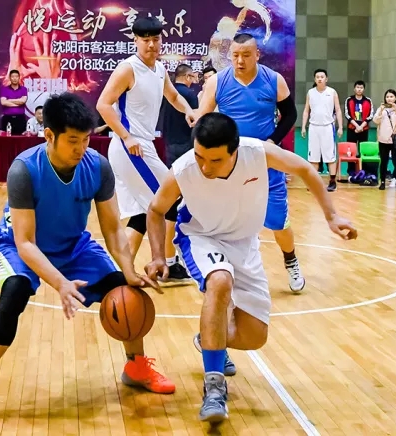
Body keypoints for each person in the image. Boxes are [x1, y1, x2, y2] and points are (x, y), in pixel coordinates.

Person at [0, 93, 174, 428]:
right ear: (49, 135)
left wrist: (129, 270)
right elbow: (25, 242)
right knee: (14, 293)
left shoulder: (97, 166)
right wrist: (60, 282)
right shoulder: (24, 170)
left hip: (73, 245)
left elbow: (112, 229)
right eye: (73, 141)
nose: (81, 148)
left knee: (123, 289)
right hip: (19, 246)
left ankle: (136, 366)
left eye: (86, 140)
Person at [144, 113, 357, 423]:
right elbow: (155, 209)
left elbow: (305, 169)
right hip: (201, 236)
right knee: (220, 281)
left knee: (254, 337)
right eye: (200, 156)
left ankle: (209, 337)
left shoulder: (257, 153)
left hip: (245, 243)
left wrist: (332, 216)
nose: (205, 167)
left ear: (235, 150)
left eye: (215, 160)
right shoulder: (184, 169)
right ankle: (214, 387)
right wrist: (158, 256)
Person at [195, 33, 305, 294]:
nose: (240, 61)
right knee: (227, 222)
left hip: (266, 164)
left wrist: (273, 141)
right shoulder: (218, 82)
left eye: (246, 55)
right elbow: (203, 120)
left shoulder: (273, 80)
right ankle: (228, 271)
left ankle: (291, 260)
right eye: (235, 55)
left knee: (278, 221)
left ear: (257, 55)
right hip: (230, 165)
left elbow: (290, 114)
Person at [96, 17, 196, 281]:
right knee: (169, 197)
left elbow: (173, 96)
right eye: (145, 40)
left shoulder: (159, 69)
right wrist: (127, 136)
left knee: (143, 213)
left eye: (155, 39)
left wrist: (188, 110)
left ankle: (118, 273)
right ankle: (166, 262)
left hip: (142, 146)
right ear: (135, 40)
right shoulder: (128, 69)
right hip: (131, 147)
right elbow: (103, 104)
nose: (151, 45)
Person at [301, 68, 343, 192]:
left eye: (322, 77)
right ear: (315, 79)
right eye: (317, 77)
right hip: (314, 127)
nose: (320, 79)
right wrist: (303, 126)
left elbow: (338, 110)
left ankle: (332, 182)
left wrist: (340, 127)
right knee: (313, 157)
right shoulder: (310, 93)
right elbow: (306, 110)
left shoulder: (332, 92)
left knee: (330, 156)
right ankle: (314, 183)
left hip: (328, 127)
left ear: (326, 79)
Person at [373, 89, 396, 191]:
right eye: (387, 97)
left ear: (395, 98)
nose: (389, 99)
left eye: (391, 96)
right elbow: (375, 120)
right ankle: (382, 182)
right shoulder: (381, 109)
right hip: (383, 139)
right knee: (384, 161)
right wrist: (381, 111)